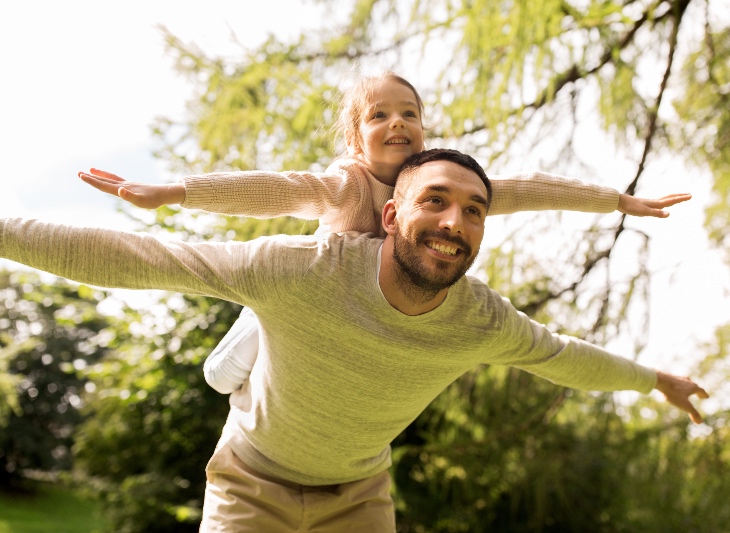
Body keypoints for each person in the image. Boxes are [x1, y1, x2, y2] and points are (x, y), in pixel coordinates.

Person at [1, 148, 708, 532]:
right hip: (252, 487)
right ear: (392, 211)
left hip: (361, 501)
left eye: (474, 211)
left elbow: (564, 357)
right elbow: (143, 258)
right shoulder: (299, 269)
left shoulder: (481, 319)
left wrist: (653, 379)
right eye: (435, 201)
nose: (454, 222)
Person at [78, 71, 692, 396]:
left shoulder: (441, 192)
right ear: (355, 137)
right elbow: (268, 187)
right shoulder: (343, 186)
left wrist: (619, 201)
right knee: (223, 374)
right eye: (379, 114)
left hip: (365, 315)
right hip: (302, 297)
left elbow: (532, 187)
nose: (398, 121)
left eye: (410, 113)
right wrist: (173, 192)